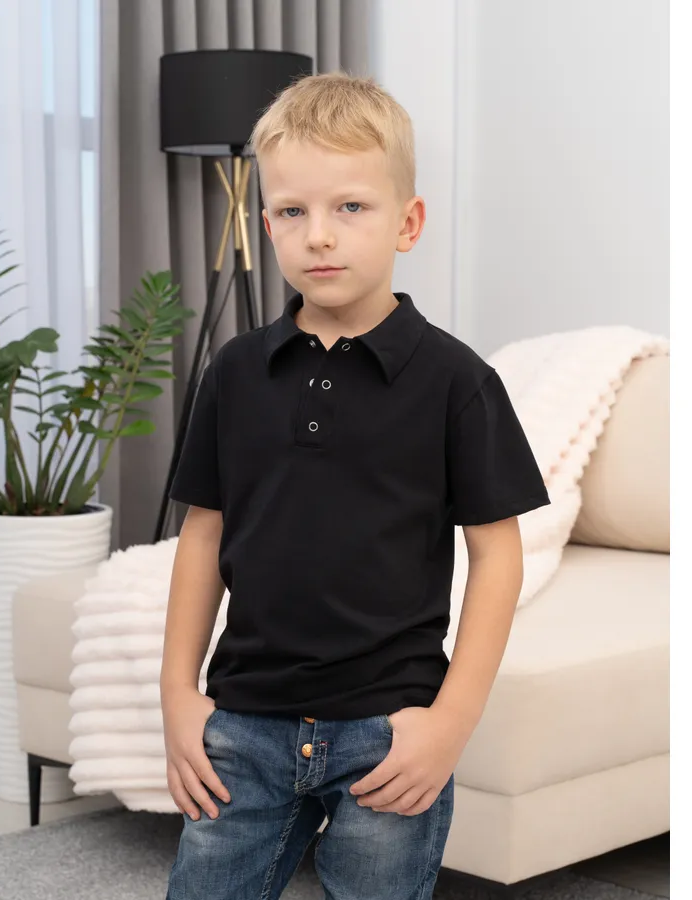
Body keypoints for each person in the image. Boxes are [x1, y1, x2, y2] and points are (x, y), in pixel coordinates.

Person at [161, 71, 550, 900]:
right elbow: (202, 533)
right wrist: (175, 696)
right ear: (267, 224)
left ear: (407, 223)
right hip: (243, 722)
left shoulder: (457, 382)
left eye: (350, 207)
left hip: (389, 734)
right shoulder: (234, 373)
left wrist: (450, 724)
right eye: (291, 212)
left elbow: (499, 556)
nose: (319, 236)